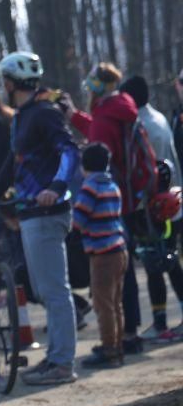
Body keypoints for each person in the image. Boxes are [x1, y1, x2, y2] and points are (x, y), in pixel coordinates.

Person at [0, 51, 80, 386]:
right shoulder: (24, 115)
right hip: (31, 212)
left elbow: (70, 150)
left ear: (10, 83)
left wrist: (57, 187)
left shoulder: (44, 112)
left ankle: (62, 363)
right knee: (45, 290)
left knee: (55, 290)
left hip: (47, 212)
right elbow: (16, 162)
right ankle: (55, 357)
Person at [64, 62, 144, 354]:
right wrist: (74, 115)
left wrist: (72, 226)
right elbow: (98, 134)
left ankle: (113, 344)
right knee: (122, 282)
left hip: (103, 236)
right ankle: (126, 335)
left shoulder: (106, 113)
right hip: (124, 196)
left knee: (105, 297)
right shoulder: (120, 107)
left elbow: (97, 140)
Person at [119, 75, 183, 342]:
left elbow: (145, 172)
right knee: (170, 261)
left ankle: (161, 325)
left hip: (156, 207)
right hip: (171, 202)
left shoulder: (141, 124)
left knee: (155, 264)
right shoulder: (158, 117)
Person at [72, 143, 128, 369]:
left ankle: (108, 349)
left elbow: (78, 220)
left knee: (102, 304)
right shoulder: (112, 185)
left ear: (84, 166)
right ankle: (117, 344)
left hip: (102, 253)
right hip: (119, 250)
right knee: (115, 303)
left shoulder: (89, 187)